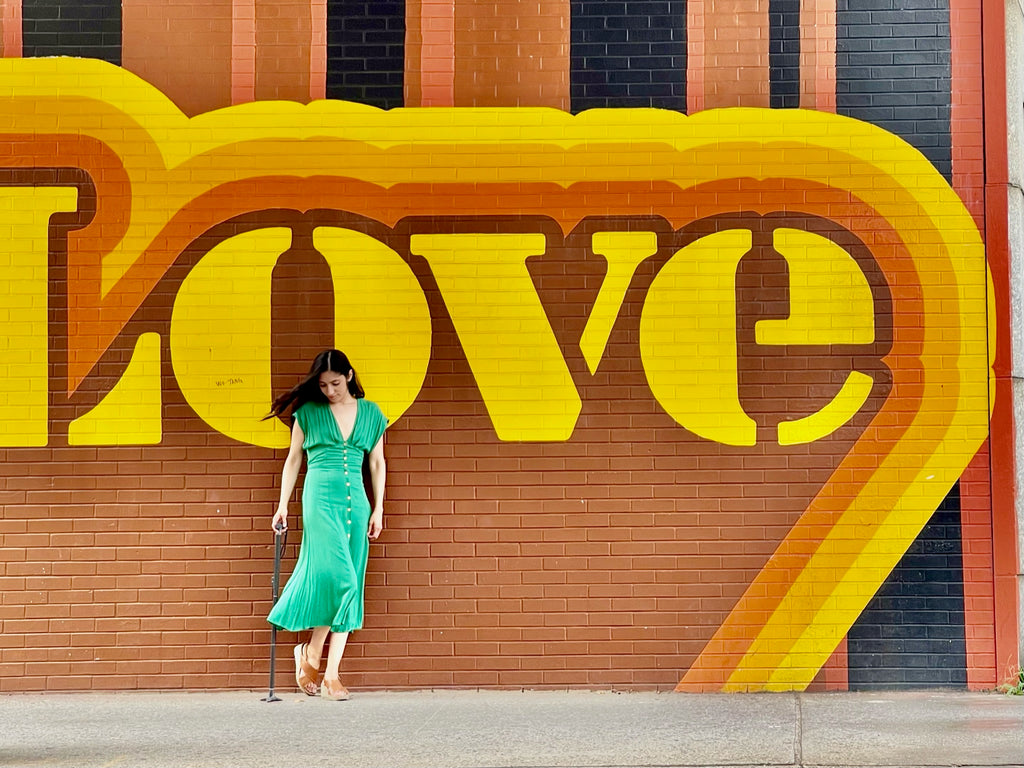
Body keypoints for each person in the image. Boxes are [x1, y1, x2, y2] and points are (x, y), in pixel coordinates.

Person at [265, 349, 388, 701]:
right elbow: (293, 460)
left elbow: (377, 463)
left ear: (349, 376)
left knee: (351, 583)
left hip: (357, 504)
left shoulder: (372, 413)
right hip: (319, 501)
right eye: (322, 385)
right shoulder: (309, 413)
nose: (330, 391)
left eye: (335, 383)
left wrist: (379, 508)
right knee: (343, 579)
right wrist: (282, 506)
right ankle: (324, 670)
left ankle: (317, 659)